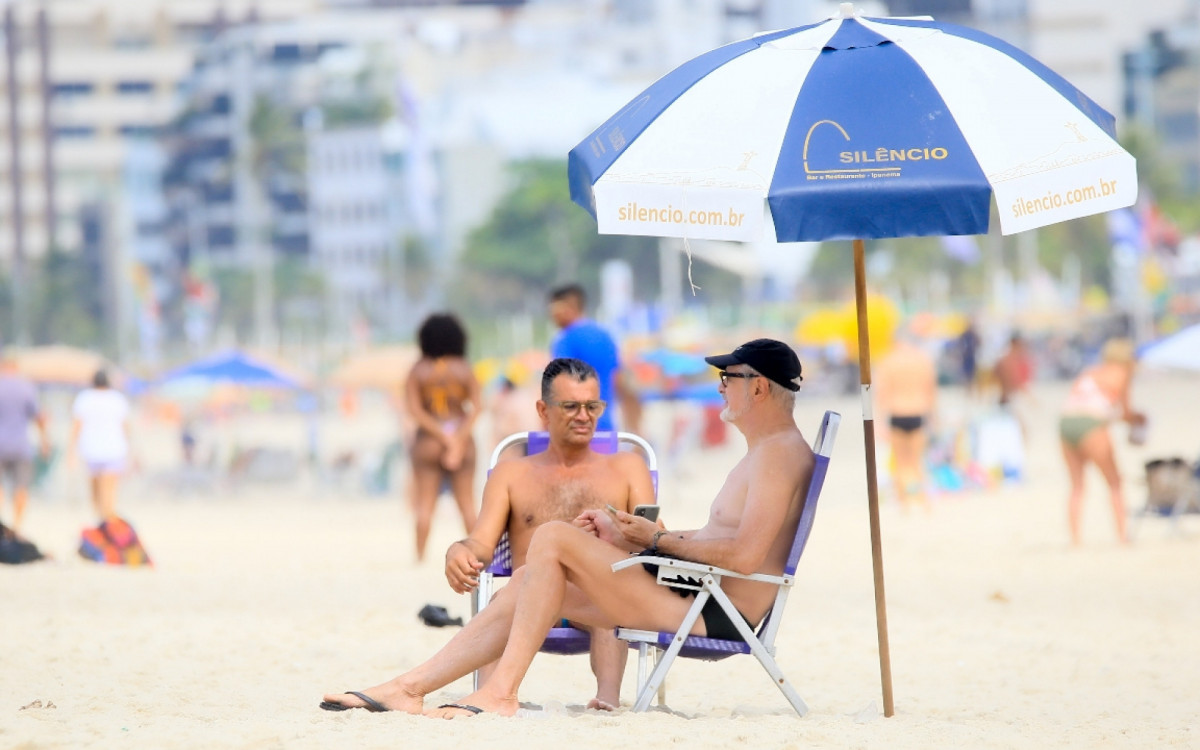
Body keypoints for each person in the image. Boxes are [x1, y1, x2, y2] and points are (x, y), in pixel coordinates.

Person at [320, 338, 814, 718]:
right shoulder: (770, 452)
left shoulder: (777, 456)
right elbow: (725, 541)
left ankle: (500, 693)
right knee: (533, 577)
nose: (720, 386)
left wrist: (657, 540)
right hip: (697, 594)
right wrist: (632, 534)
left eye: (727, 377)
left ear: (759, 386)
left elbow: (747, 558)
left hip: (714, 610)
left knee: (554, 538)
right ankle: (409, 689)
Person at [442, 358, 655, 711]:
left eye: (592, 406)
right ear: (543, 410)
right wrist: (458, 550)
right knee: (499, 605)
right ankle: (489, 697)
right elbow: (481, 544)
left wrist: (622, 533)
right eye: (571, 406)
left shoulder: (628, 468)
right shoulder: (511, 474)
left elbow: (654, 537)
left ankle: (607, 702)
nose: (584, 416)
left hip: (597, 593)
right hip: (527, 595)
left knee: (611, 607)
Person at [405, 313, 483, 562]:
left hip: (428, 441)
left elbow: (415, 410)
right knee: (467, 505)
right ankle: (478, 556)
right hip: (462, 440)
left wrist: (440, 435)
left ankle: (420, 558)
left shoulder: (418, 370)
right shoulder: (463, 368)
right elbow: (478, 407)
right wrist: (457, 438)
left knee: (425, 505)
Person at [1059, 338, 1143, 546]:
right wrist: (1139, 419)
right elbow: (1124, 412)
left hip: (1065, 422)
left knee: (1077, 486)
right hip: (1092, 424)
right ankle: (1123, 537)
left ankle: (1075, 540)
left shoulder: (1091, 371)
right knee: (1114, 483)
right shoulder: (1122, 373)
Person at [547, 283, 640, 433]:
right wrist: (636, 429)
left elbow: (558, 385)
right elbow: (621, 382)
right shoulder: (606, 336)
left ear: (568, 307)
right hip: (605, 425)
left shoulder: (566, 339)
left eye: (553, 308)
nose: (551, 315)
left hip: (575, 428)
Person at [875, 335, 938, 512]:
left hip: (897, 413)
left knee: (901, 462)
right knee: (918, 461)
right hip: (918, 411)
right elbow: (931, 390)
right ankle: (924, 501)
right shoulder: (922, 360)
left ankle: (904, 503)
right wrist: (934, 417)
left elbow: (882, 393)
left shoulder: (888, 361)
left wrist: (880, 421)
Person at [69, 370, 133, 521]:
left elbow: (77, 426)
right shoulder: (117, 399)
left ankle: (101, 521)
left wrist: (71, 451)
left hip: (91, 450)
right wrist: (132, 450)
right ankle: (108, 522)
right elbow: (126, 427)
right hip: (114, 451)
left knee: (96, 493)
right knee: (109, 493)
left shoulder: (84, 398)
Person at [0, 352, 50, 531]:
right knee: (21, 488)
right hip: (21, 446)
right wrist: (45, 441)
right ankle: (16, 527)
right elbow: (40, 417)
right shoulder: (26, 387)